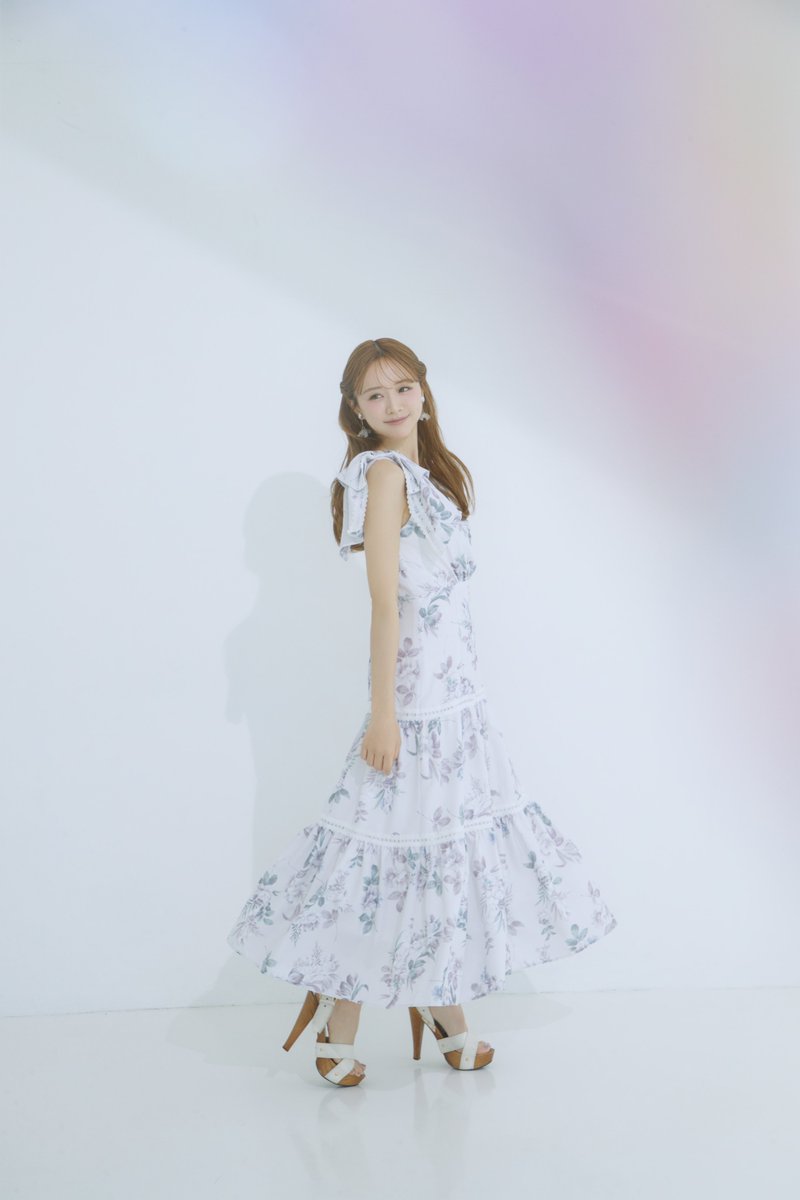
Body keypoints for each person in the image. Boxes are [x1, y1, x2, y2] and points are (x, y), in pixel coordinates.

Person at [227, 337, 618, 1086]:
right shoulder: (381, 475)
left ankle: (440, 1010)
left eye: (403, 387)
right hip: (413, 708)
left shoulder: (428, 475)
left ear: (424, 392)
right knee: (378, 858)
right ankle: (344, 1022)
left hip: (457, 703)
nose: (393, 403)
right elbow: (385, 605)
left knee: (433, 855)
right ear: (355, 410)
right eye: (375, 395)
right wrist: (384, 715)